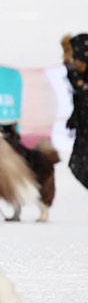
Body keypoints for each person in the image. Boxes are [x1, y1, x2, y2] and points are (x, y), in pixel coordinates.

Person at [63, 33, 88, 190]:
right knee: (77, 165)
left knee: (79, 165)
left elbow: (82, 91)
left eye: (74, 59)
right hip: (83, 134)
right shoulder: (82, 78)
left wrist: (70, 68)